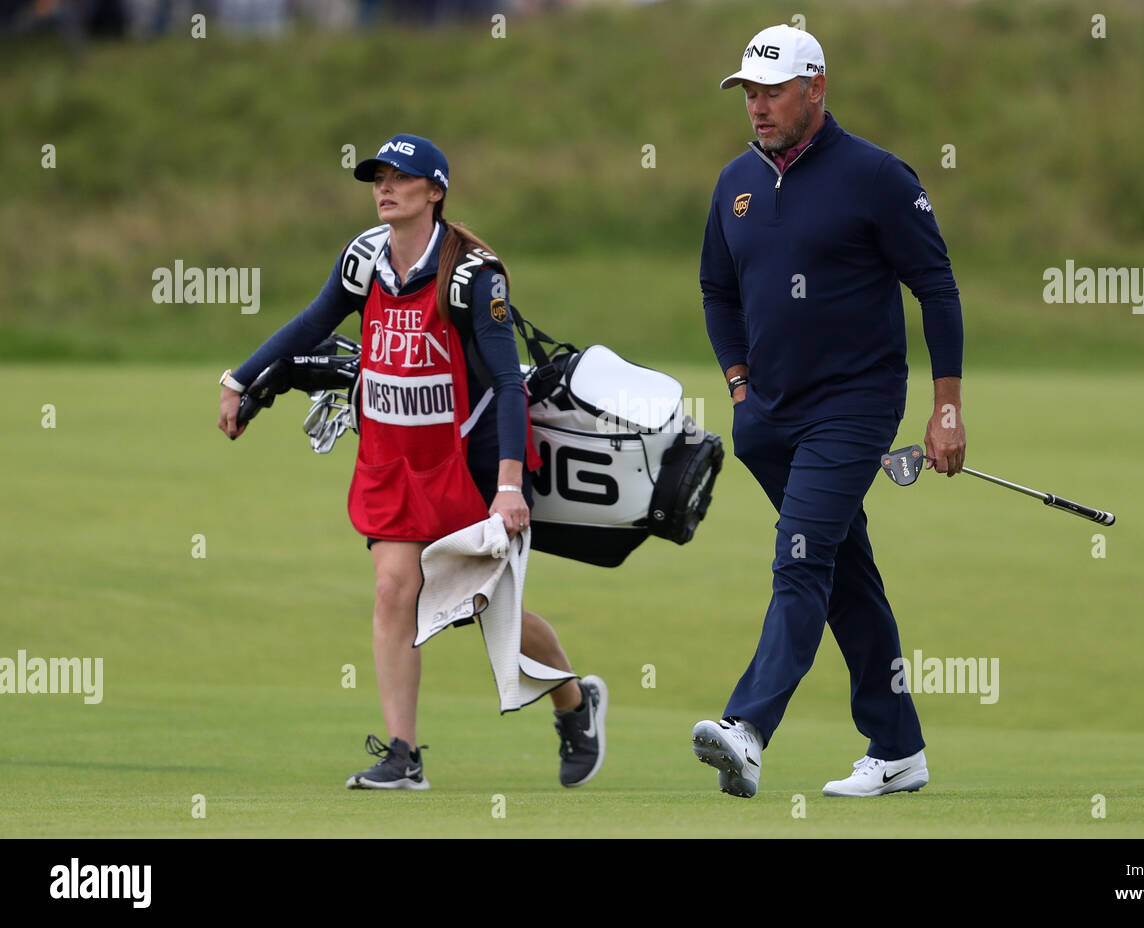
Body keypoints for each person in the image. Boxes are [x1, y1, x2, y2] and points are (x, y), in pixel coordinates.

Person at [216, 134, 608, 790]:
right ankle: (403, 755)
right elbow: (312, 324)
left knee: (482, 609)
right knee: (396, 589)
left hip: (477, 460)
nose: (384, 188)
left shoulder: (473, 274)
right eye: (378, 177)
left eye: (401, 178)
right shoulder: (364, 257)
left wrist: (510, 485)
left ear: (435, 192)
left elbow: (510, 384)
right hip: (393, 455)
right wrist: (242, 379)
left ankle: (575, 704)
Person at [693, 26, 966, 798]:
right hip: (768, 417)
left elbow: (937, 288)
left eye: (771, 91)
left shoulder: (876, 176)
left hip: (854, 407)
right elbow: (718, 290)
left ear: (816, 87)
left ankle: (747, 730)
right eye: (748, 92)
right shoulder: (734, 184)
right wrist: (740, 386)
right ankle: (898, 746)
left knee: (801, 559)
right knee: (846, 573)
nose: (757, 106)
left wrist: (946, 409)